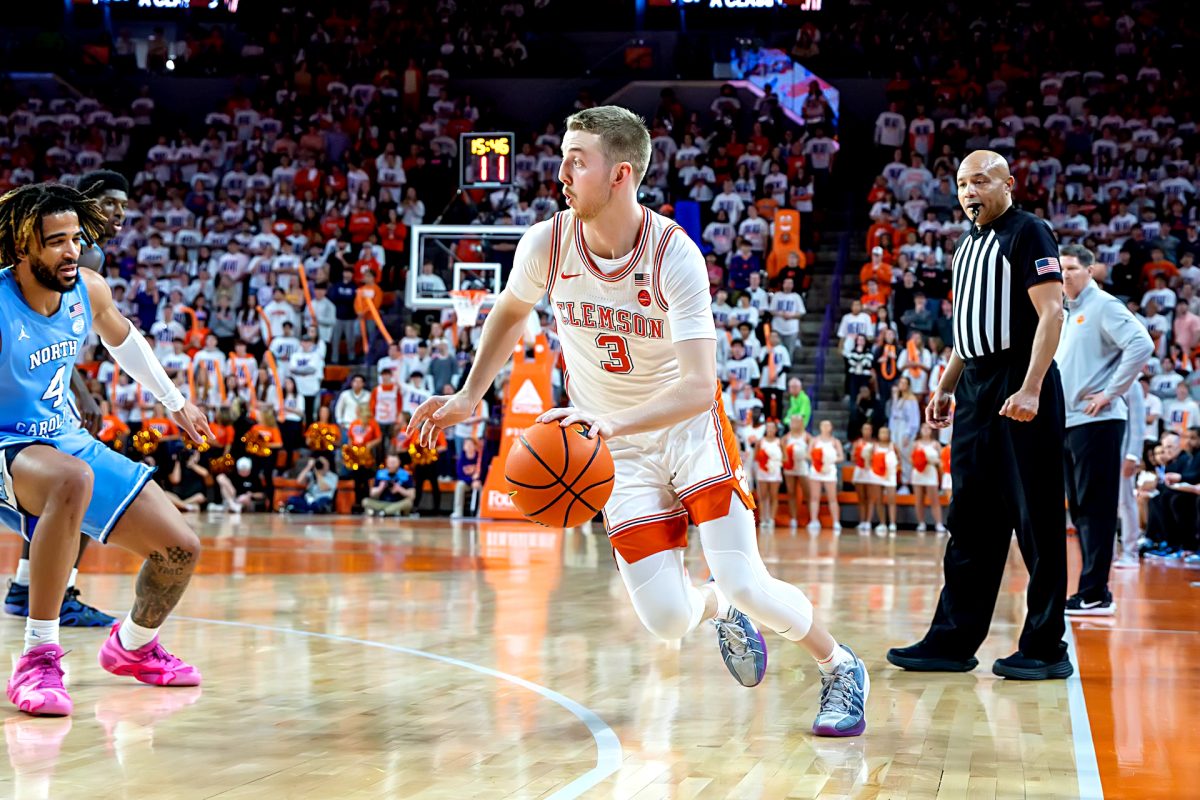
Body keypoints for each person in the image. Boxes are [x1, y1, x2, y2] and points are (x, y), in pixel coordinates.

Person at [408, 106, 868, 736]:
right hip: (615, 450)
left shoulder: (673, 253)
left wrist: (613, 426)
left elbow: (700, 385)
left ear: (620, 174)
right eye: (564, 155)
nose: (562, 170)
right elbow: (512, 312)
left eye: (578, 159)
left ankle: (839, 664)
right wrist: (467, 394)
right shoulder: (546, 242)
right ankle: (717, 610)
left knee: (745, 577)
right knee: (668, 620)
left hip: (685, 431)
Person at [0, 183, 210, 716]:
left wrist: (176, 401)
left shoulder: (88, 290)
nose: (71, 251)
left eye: (75, 238)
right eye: (55, 241)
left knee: (179, 550)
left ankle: (134, 648)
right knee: (71, 480)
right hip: (7, 443)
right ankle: (37, 658)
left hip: (65, 440)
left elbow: (124, 339)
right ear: (24, 247)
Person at [888, 150, 1072, 680]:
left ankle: (1045, 647)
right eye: (964, 184)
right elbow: (967, 330)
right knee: (969, 519)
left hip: (1021, 379)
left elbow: (1052, 313)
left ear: (1008, 183)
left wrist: (1033, 387)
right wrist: (945, 387)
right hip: (974, 389)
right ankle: (951, 640)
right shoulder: (965, 247)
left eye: (982, 181)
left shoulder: (1029, 232)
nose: (971, 192)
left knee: (1035, 520)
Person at [3, 170, 129, 629]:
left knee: (60, 493)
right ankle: (55, 592)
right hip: (43, 390)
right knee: (74, 488)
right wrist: (81, 392)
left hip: (49, 381)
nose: (118, 213)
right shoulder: (82, 251)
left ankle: (23, 585)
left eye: (124, 205)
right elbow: (47, 336)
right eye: (110, 203)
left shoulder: (82, 249)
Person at [1056, 244, 1153, 614]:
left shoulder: (1103, 305)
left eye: (1071, 269)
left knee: (1095, 508)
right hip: (1071, 423)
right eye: (1060, 269)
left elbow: (1141, 344)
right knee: (1081, 509)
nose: (1064, 276)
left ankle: (1096, 592)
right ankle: (1091, 588)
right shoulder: (1068, 314)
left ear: (1091, 270)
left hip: (1097, 422)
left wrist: (1111, 392)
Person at [807, 420, 843, 535]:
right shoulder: (814, 440)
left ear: (831, 427)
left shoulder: (835, 442)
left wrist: (829, 460)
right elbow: (808, 454)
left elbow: (841, 457)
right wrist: (818, 460)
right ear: (820, 427)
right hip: (816, 470)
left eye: (828, 425)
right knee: (814, 497)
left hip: (829, 471)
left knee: (832, 498)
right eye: (823, 425)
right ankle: (813, 520)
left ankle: (836, 521)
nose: (825, 427)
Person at [909, 424, 945, 534]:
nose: (925, 430)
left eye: (928, 428)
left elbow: (941, 461)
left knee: (934, 499)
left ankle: (939, 523)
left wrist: (932, 461)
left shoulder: (936, 444)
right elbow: (911, 460)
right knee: (919, 499)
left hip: (930, 471)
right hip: (918, 472)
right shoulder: (916, 444)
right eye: (923, 428)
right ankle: (921, 523)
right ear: (920, 430)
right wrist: (919, 461)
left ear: (931, 430)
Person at [754, 421, 784, 529]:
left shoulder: (779, 442)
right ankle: (763, 518)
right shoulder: (760, 442)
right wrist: (764, 460)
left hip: (775, 471)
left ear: (776, 430)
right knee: (763, 496)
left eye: (772, 428)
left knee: (773, 495)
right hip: (763, 471)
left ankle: (771, 519)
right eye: (768, 428)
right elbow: (755, 457)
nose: (770, 430)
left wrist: (774, 461)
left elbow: (785, 458)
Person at [782, 416, 810, 529]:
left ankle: (811, 518)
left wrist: (805, 456)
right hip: (790, 467)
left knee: (807, 493)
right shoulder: (786, 437)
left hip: (802, 466)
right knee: (791, 492)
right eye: (792, 421)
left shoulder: (806, 436)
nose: (794, 423)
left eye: (797, 421)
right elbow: (782, 452)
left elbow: (811, 451)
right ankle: (793, 518)